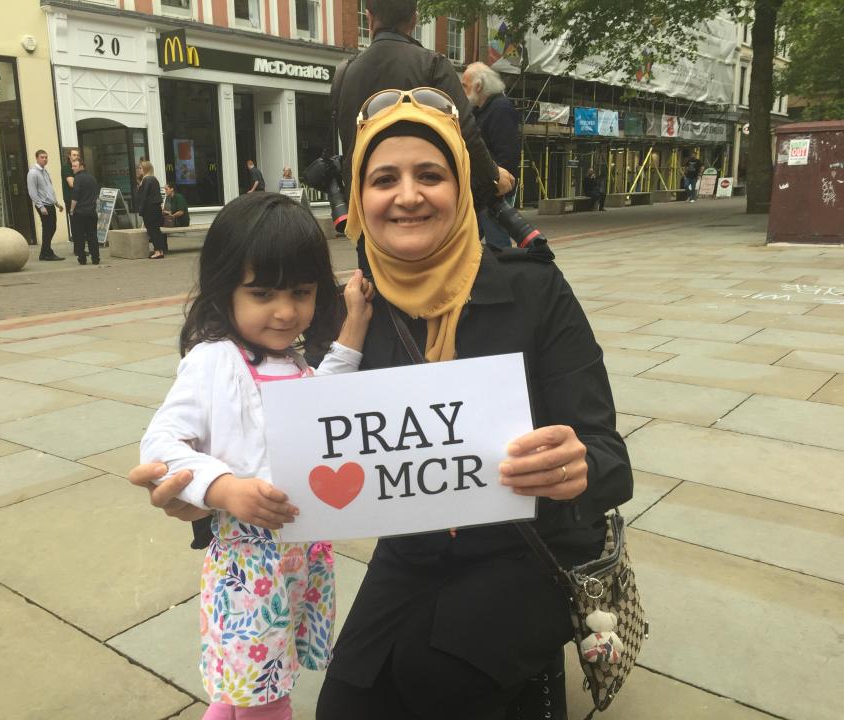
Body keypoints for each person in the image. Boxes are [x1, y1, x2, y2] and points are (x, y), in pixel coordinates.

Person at [130, 90, 632, 720]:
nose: (408, 195)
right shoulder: (351, 309)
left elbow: (611, 457)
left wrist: (576, 467)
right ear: (360, 201)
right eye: (384, 178)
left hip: (524, 547)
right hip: (413, 550)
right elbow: (288, 438)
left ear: (462, 185)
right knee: (344, 707)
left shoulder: (534, 289)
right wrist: (203, 492)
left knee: (442, 680)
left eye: (431, 174)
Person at [139, 191, 374, 720]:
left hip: (298, 559)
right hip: (248, 568)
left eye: (302, 292)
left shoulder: (288, 361)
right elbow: (161, 443)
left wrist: (353, 325)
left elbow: (322, 400)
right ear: (226, 290)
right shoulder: (213, 359)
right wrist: (223, 488)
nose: (286, 311)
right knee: (265, 695)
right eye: (263, 293)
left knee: (246, 686)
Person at [332, 0, 513, 205]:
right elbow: (466, 133)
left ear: (369, 18)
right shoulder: (433, 65)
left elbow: (346, 141)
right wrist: (493, 175)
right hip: (421, 202)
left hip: (366, 203)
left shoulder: (344, 73)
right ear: (414, 20)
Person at [461, 61, 520, 248]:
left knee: (497, 244)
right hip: (479, 190)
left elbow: (507, 153)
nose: (462, 90)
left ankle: (504, 276)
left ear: (478, 86)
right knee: (466, 243)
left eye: (465, 85)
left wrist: (497, 187)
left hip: (493, 190)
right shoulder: (477, 110)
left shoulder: (500, 108)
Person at [26, 149, 65, 261]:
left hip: (50, 203)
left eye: (46, 157)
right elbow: (32, 192)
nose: (44, 159)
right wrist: (41, 206)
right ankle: (46, 252)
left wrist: (56, 203)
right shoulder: (33, 173)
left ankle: (45, 251)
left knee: (52, 228)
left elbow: (49, 189)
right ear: (37, 158)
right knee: (48, 228)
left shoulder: (45, 171)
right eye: (42, 157)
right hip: (43, 205)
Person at [69, 157, 100, 265]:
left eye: (75, 166)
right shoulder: (92, 178)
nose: (72, 168)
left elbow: (75, 195)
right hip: (91, 212)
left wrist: (72, 210)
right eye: (72, 166)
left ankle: (82, 258)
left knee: (79, 236)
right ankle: (96, 258)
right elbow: (96, 194)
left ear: (81, 166)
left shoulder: (77, 178)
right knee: (92, 235)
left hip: (80, 212)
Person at [136, 160, 166, 259]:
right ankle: (160, 250)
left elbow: (144, 197)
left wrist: (141, 209)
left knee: (152, 230)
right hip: (155, 207)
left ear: (145, 169)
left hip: (149, 209)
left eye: (140, 168)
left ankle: (157, 251)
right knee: (156, 230)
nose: (139, 170)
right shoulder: (154, 179)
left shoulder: (147, 180)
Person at [61, 148, 80, 242]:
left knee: (79, 223)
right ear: (69, 156)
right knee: (75, 223)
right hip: (71, 199)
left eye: (77, 155)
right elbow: (71, 184)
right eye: (74, 155)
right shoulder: (66, 167)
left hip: (78, 198)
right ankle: (77, 248)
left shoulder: (78, 167)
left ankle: (80, 246)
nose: (76, 157)